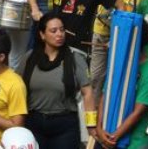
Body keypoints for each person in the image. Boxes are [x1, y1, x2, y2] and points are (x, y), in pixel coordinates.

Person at [22, 14, 96, 149]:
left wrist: (91, 125)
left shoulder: (75, 59)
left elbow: (88, 93)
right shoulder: (30, 58)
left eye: (62, 30)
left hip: (64, 125)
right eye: (54, 30)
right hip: (34, 123)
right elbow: (15, 85)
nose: (60, 34)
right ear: (42, 35)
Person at [96, 29, 148, 149]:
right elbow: (105, 96)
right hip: (107, 134)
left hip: (135, 142)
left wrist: (113, 137)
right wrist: (99, 128)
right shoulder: (117, 64)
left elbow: (138, 112)